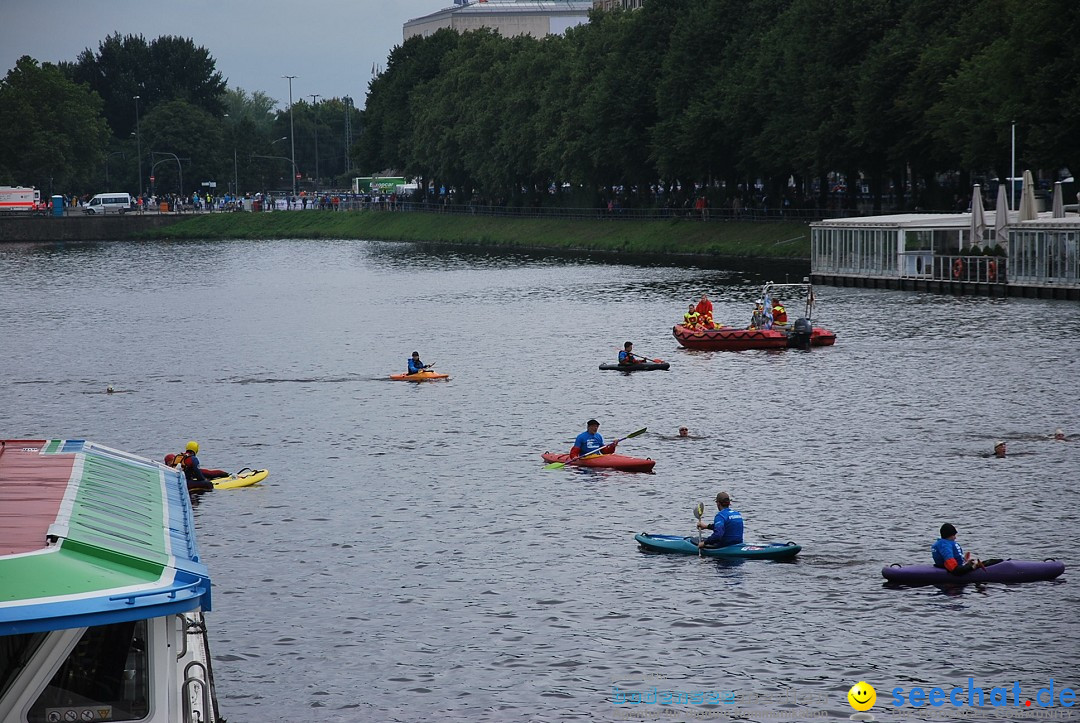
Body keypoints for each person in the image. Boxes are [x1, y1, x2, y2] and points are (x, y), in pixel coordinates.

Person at [932, 523, 1001, 575]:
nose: (955, 538)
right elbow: (954, 570)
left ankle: (1002, 561)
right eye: (953, 535)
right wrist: (972, 567)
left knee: (992, 561)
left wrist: (966, 562)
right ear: (948, 535)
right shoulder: (945, 546)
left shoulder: (944, 543)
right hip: (955, 570)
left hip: (958, 566)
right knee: (980, 564)